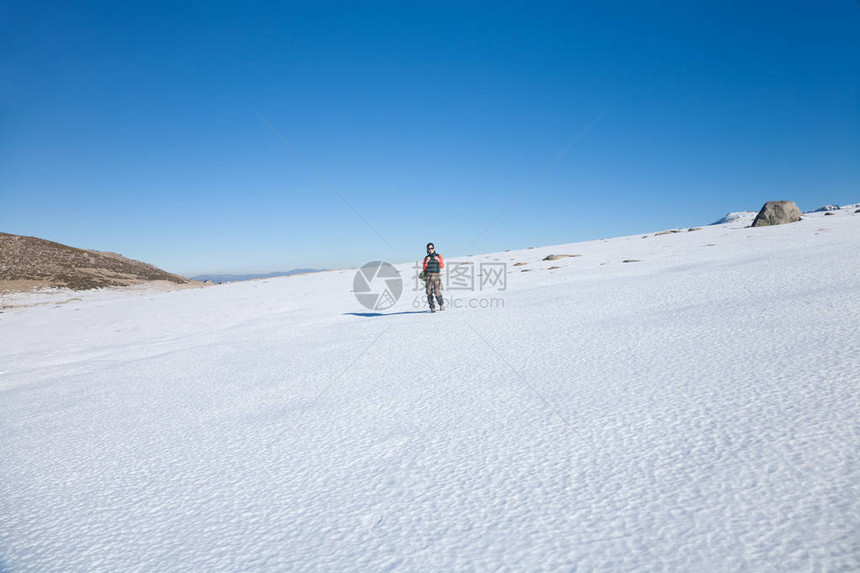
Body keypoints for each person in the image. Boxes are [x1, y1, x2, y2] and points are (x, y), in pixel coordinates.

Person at [422, 242, 445, 312]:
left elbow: (442, 266)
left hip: (436, 275)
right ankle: (432, 307)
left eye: (431, 248)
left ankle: (441, 305)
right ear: (427, 250)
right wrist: (426, 262)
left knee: (437, 291)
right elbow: (423, 268)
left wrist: (438, 260)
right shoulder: (426, 258)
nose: (430, 250)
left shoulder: (438, 255)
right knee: (428, 292)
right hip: (428, 276)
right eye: (429, 249)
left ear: (434, 248)